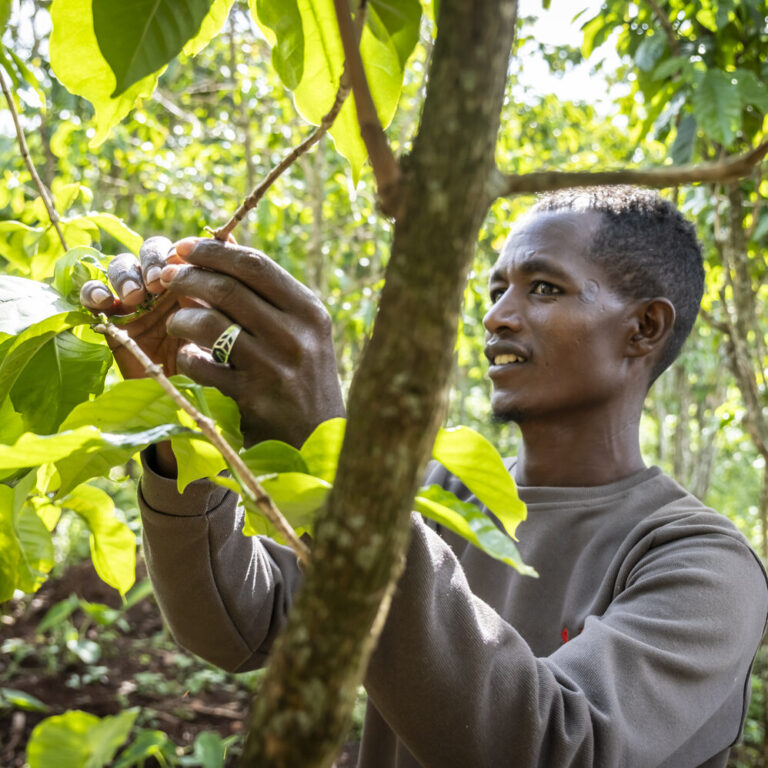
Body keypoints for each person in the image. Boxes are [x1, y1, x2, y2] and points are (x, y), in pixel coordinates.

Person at [82, 186, 768, 767]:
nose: (498, 316)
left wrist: (337, 451)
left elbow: (553, 746)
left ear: (644, 328)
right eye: (497, 290)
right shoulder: (433, 496)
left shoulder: (702, 567)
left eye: (545, 288)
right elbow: (238, 624)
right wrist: (184, 428)